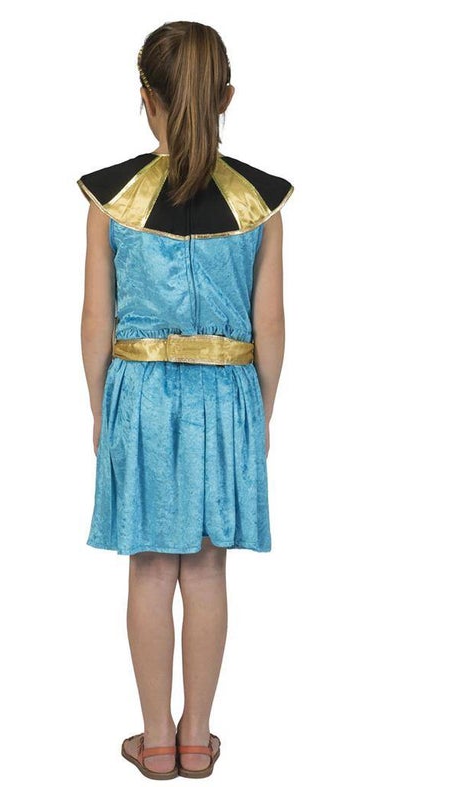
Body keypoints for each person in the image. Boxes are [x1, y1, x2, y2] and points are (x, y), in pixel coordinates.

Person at [78, 21, 294, 780]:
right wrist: (260, 414)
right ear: (225, 97)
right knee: (205, 571)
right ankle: (197, 738)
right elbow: (271, 325)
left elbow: (96, 320)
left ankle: (156, 739)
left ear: (147, 99)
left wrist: (100, 410)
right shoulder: (260, 203)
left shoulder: (112, 200)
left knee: (149, 571)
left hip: (140, 394)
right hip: (227, 395)